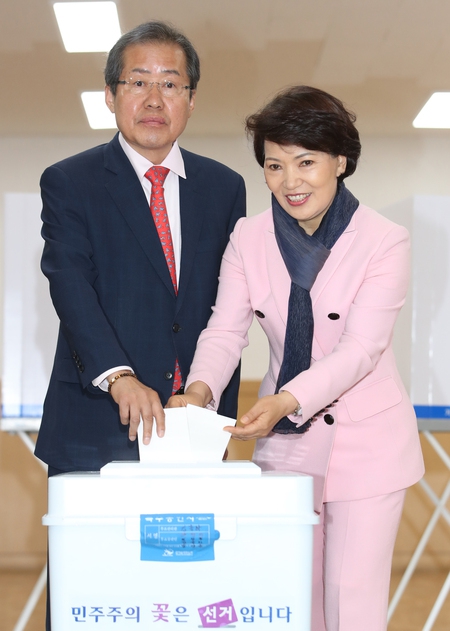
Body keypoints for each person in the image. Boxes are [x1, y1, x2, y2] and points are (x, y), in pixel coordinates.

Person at [167, 85, 424, 631]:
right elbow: (225, 329)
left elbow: (362, 349)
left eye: (306, 162)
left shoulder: (384, 240)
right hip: (287, 443)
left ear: (341, 160)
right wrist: (199, 391)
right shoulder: (249, 236)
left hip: (366, 441)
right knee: (290, 598)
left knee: (351, 605)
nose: (290, 181)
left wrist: (285, 398)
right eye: (275, 165)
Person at [34, 20, 245, 474]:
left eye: (170, 83)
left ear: (191, 99)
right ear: (111, 95)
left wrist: (204, 390)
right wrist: (120, 376)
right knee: (93, 549)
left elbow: (230, 303)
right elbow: (71, 287)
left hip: (196, 425)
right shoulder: (71, 182)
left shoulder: (224, 188)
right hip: (96, 423)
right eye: (138, 82)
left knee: (197, 547)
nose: (154, 98)